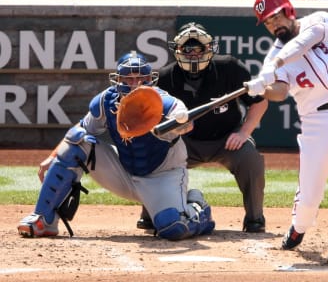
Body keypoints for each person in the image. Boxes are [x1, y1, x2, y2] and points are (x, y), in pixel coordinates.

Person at [17, 51, 215, 241]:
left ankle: (197, 206)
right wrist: (53, 156)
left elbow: (186, 123)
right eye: (128, 79)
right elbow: (82, 128)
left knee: (172, 227)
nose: (135, 84)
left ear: (150, 80)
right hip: (124, 173)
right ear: (118, 80)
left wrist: (181, 123)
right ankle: (44, 219)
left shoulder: (166, 103)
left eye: (141, 79)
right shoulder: (106, 101)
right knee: (79, 140)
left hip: (162, 176)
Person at [246, 0, 328, 266]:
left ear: (289, 10)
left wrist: (275, 65)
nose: (273, 24)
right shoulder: (273, 56)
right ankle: (299, 227)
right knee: (310, 191)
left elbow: (302, 44)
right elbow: (279, 92)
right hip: (316, 120)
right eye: (267, 22)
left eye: (276, 16)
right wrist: (262, 89)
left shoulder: (319, 20)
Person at [136, 22, 268, 233]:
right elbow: (152, 117)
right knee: (156, 156)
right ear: (177, 51)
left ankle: (255, 219)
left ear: (210, 49)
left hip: (226, 140)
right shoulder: (165, 77)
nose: (193, 55)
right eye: (187, 50)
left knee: (250, 158)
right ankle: (151, 214)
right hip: (184, 142)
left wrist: (243, 133)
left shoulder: (229, 68)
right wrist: (173, 132)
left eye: (199, 49)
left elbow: (259, 102)